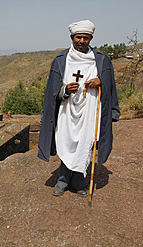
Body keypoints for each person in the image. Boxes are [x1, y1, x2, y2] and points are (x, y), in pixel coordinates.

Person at [38, 20, 120, 197]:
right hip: (67, 110)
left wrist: (100, 82)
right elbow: (51, 91)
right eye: (78, 37)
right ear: (72, 37)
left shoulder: (101, 59)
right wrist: (64, 90)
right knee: (66, 142)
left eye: (86, 38)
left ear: (91, 38)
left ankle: (77, 182)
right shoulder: (61, 60)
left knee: (84, 143)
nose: (82, 41)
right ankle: (63, 180)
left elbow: (110, 85)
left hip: (89, 109)